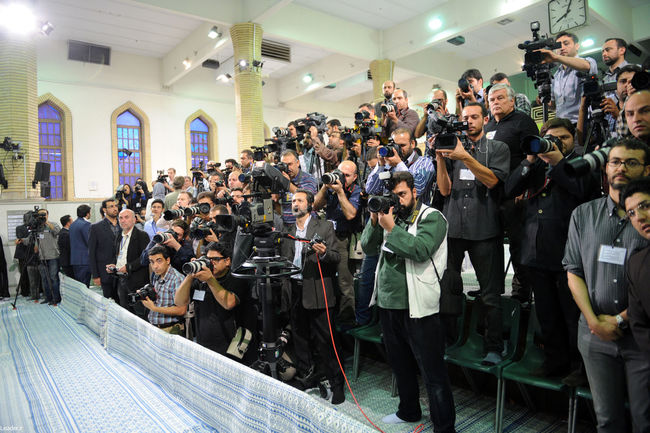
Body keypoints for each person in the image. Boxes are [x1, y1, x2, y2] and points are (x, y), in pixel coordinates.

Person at [563, 138, 650, 433]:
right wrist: (593, 321)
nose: (621, 168)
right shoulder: (583, 215)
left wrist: (617, 320)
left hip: (640, 337)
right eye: (615, 161)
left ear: (647, 170)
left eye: (631, 162)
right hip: (594, 335)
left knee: (645, 420)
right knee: (607, 420)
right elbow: (573, 270)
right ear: (605, 167)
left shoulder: (648, 218)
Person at [361, 171, 455, 430]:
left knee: (432, 373)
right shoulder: (390, 217)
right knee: (400, 366)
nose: (398, 200)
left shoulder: (432, 217)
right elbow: (368, 248)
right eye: (394, 195)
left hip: (419, 308)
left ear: (416, 192)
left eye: (402, 194)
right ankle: (408, 411)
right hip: (388, 305)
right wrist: (374, 220)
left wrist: (390, 229)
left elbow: (421, 250)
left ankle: (444, 427)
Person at [504, 118, 597, 381]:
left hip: (570, 255)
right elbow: (510, 189)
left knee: (572, 317)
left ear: (573, 140)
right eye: (551, 137)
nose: (556, 142)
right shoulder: (536, 167)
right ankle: (554, 362)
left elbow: (581, 190)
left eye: (563, 137)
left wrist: (557, 161)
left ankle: (580, 368)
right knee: (547, 316)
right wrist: (531, 159)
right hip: (537, 253)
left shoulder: (582, 164)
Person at [436, 102, 510, 358]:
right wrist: (439, 156)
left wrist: (464, 156)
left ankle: (494, 347)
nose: (468, 121)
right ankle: (448, 340)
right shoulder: (452, 148)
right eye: (465, 117)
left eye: (474, 117)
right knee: (448, 288)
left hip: (485, 229)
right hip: (454, 226)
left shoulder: (497, 148)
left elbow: (492, 181)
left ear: (486, 119)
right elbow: (444, 190)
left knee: (490, 294)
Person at [280, 189, 344, 404]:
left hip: (317, 290)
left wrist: (323, 253)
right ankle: (306, 377)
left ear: (309, 205)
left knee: (326, 340)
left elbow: (336, 256)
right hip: (295, 290)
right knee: (299, 338)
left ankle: (337, 383)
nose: (295, 204)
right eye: (292, 201)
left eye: (299, 200)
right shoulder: (288, 231)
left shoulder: (324, 226)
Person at [175, 242, 254, 360]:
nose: (211, 263)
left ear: (227, 261)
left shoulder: (236, 279)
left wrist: (210, 280)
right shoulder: (201, 281)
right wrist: (190, 276)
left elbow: (229, 303)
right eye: (208, 259)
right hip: (204, 345)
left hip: (231, 346)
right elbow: (179, 302)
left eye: (215, 259)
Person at [313, 160, 361, 325]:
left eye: (347, 175)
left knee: (344, 282)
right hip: (327, 237)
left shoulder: (356, 191)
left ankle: (347, 320)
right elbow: (315, 205)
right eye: (340, 173)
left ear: (354, 177)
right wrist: (325, 187)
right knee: (326, 279)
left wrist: (340, 192)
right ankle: (328, 317)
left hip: (343, 239)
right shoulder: (330, 187)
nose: (342, 177)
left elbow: (350, 215)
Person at [539, 31, 598, 124]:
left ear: (577, 46)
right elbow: (554, 106)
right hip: (563, 125)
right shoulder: (556, 76)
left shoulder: (587, 62)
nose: (562, 48)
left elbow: (587, 66)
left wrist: (556, 57)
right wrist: (544, 101)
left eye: (566, 44)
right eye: (558, 45)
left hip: (584, 123)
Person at [621, 177, 650, 357]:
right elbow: (640, 324)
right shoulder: (636, 264)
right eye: (631, 213)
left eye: (645, 206)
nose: (639, 217)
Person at [107, 209, 150, 312]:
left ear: (134, 220)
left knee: (139, 313)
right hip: (121, 280)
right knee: (124, 311)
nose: (123, 220)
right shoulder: (118, 235)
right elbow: (118, 254)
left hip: (137, 281)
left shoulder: (142, 235)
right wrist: (114, 265)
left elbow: (145, 258)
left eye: (126, 217)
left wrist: (128, 267)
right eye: (121, 218)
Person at [141, 245, 187, 334]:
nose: (155, 266)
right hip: (154, 327)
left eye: (159, 261)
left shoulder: (177, 279)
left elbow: (181, 310)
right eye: (152, 262)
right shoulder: (156, 276)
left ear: (168, 260)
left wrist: (154, 308)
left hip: (170, 329)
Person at [89, 198, 120, 300]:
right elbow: (92, 253)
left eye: (115, 206)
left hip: (121, 270)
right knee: (108, 300)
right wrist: (95, 275)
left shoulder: (123, 225)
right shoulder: (96, 227)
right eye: (111, 206)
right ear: (104, 210)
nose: (115, 208)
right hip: (105, 271)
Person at [279, 149, 318, 226]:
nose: (287, 168)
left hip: (307, 226)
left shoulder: (308, 178)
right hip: (288, 226)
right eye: (284, 165)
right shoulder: (280, 179)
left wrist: (287, 183)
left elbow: (307, 197)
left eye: (290, 164)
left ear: (297, 163)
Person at [34, 209, 62, 305]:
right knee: (45, 279)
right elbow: (35, 239)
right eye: (40, 215)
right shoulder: (38, 227)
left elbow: (57, 231)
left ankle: (56, 298)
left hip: (53, 256)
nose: (42, 216)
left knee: (53, 278)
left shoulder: (53, 224)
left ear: (47, 215)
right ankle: (48, 297)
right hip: (42, 257)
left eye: (44, 214)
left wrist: (46, 222)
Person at [70, 204, 92, 286]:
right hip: (84, 260)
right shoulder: (86, 225)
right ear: (87, 214)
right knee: (84, 286)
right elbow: (89, 241)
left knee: (79, 286)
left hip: (75, 260)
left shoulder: (72, 225)